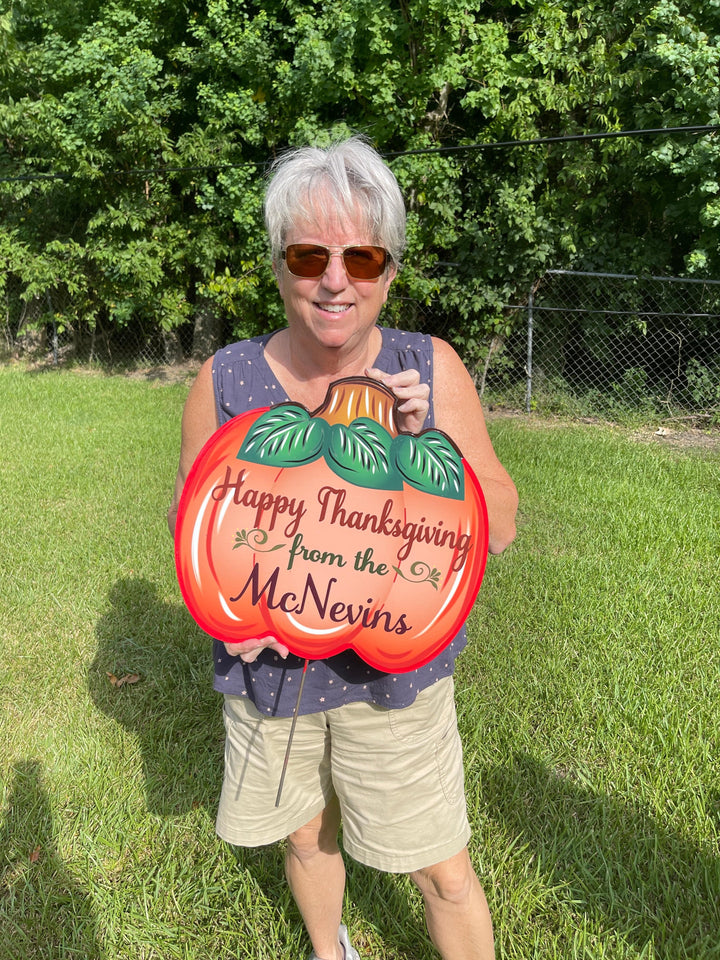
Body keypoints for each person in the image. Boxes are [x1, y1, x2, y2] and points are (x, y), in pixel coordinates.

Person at [168, 135, 518, 960]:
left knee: (442, 871)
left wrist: (425, 450)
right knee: (304, 835)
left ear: (389, 270)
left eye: (360, 257)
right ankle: (332, 952)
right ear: (279, 264)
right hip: (275, 670)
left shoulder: (428, 368)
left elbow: (498, 524)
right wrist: (229, 617)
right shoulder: (225, 381)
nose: (334, 279)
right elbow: (202, 529)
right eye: (308, 253)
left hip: (394, 674)